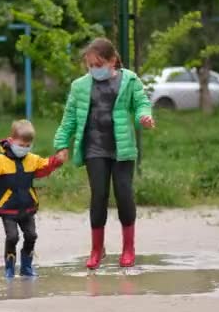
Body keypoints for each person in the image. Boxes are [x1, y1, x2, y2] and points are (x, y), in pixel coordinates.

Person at [53, 37, 155, 270]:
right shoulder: (79, 86)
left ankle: (128, 248)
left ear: (112, 61)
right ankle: (96, 250)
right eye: (90, 65)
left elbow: (141, 103)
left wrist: (144, 118)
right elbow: (69, 117)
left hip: (122, 149)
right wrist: (61, 144)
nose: (93, 70)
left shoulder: (129, 80)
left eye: (98, 65)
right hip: (94, 148)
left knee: (124, 194)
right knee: (99, 195)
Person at [0, 120, 63, 278]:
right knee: (12, 236)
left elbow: (44, 166)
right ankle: (9, 267)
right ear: (11, 141)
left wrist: (56, 161)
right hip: (7, 208)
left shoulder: (32, 159)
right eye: (21, 144)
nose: (24, 148)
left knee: (31, 235)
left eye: (28, 145)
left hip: (27, 207)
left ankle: (26, 266)